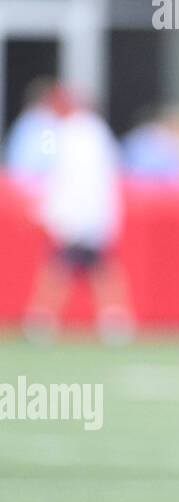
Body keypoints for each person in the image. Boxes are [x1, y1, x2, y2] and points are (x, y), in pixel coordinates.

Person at [20, 85, 134, 345]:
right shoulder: (87, 131)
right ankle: (111, 322)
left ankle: (46, 322)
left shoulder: (78, 133)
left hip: (83, 216)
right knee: (85, 267)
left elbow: (72, 180)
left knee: (75, 266)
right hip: (88, 215)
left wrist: (59, 214)